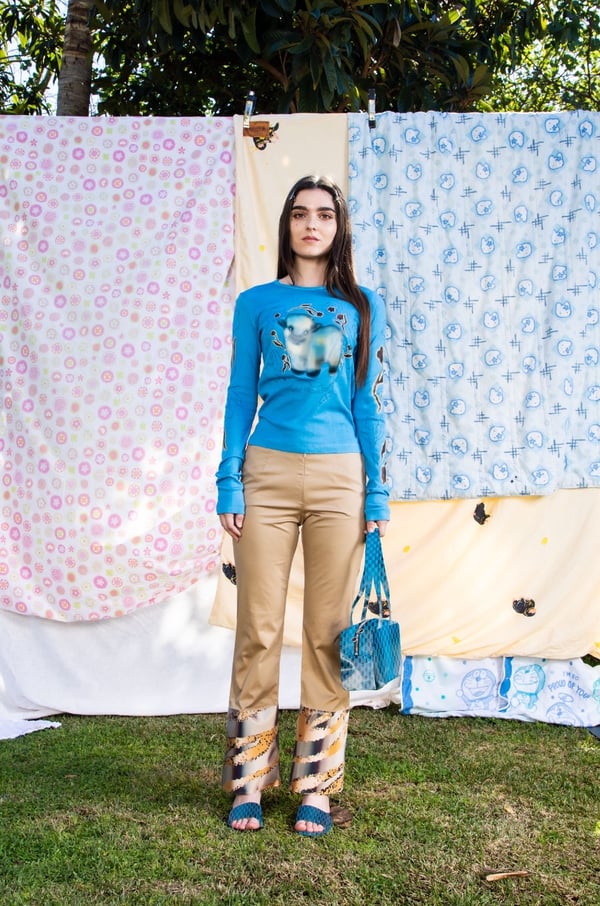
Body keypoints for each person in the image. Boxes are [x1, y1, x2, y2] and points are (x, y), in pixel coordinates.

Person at [216, 174, 389, 836]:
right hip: (267, 473)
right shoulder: (256, 303)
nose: (311, 224)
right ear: (286, 225)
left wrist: (377, 489)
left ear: (339, 228)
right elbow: (240, 393)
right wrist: (229, 480)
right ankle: (248, 782)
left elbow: (366, 402)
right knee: (258, 628)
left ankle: (316, 785)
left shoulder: (362, 307)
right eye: (299, 213)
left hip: (341, 479)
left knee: (326, 633)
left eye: (324, 214)